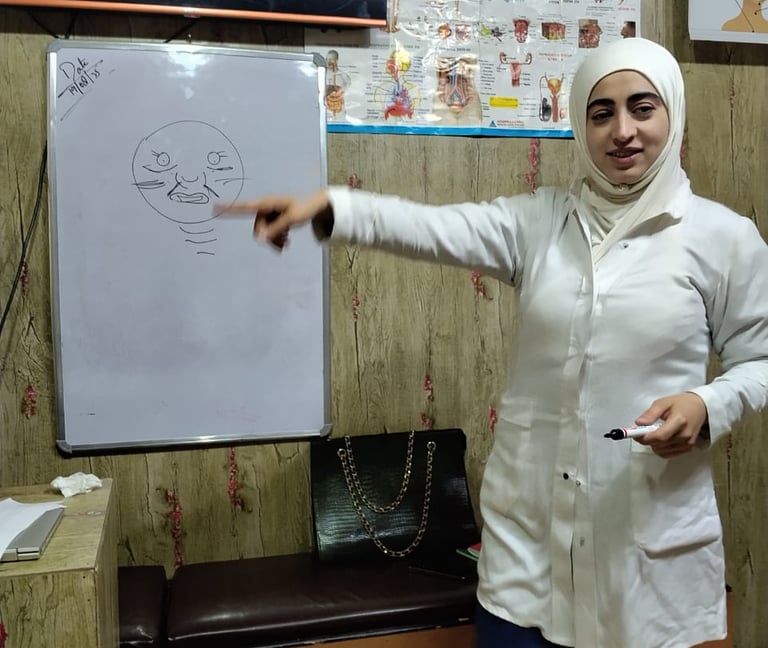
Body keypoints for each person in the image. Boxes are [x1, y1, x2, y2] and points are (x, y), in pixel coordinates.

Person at [219, 38, 768, 648]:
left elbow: (760, 361)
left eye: (643, 108)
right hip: (529, 553)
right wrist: (328, 207)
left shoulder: (723, 238)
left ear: (673, 113)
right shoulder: (539, 223)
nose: (622, 131)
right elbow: (433, 228)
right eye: (601, 113)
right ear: (581, 124)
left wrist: (706, 405)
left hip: (643, 553)